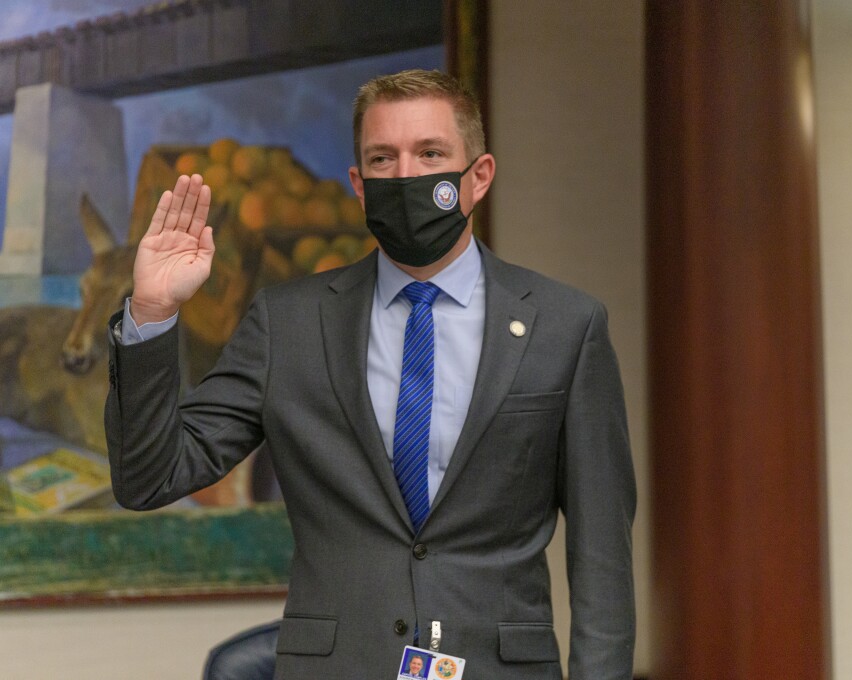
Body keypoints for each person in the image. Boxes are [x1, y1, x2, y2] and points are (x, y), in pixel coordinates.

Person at [105, 69, 636, 679]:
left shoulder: (566, 327)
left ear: (478, 177)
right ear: (358, 185)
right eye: (383, 158)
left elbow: (603, 559)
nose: (405, 175)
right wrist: (152, 312)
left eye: (430, 153)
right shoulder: (289, 323)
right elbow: (149, 477)